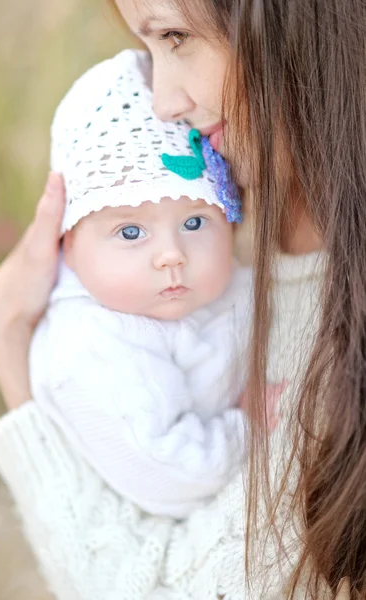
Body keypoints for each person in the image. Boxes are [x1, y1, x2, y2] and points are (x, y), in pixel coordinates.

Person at [0, 0, 366, 598]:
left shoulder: (327, 321)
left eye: (177, 36)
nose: (164, 101)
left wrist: (7, 338)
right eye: (149, 46)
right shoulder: (218, 253)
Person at [30, 47, 281, 519]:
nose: (171, 255)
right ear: (67, 244)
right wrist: (247, 428)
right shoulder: (92, 345)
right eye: (130, 232)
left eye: (194, 223)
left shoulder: (230, 284)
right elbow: (166, 471)